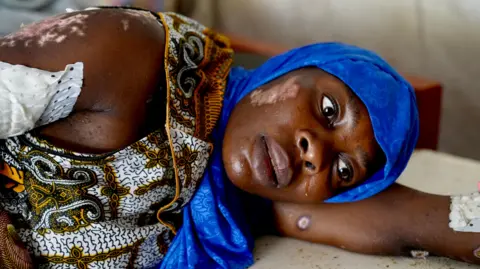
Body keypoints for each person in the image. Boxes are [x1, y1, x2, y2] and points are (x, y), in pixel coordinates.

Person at [0, 6, 478, 269]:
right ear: (285, 72)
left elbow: (423, 220)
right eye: (329, 109)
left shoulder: (236, 201)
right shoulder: (131, 55)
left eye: (344, 170)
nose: (316, 154)